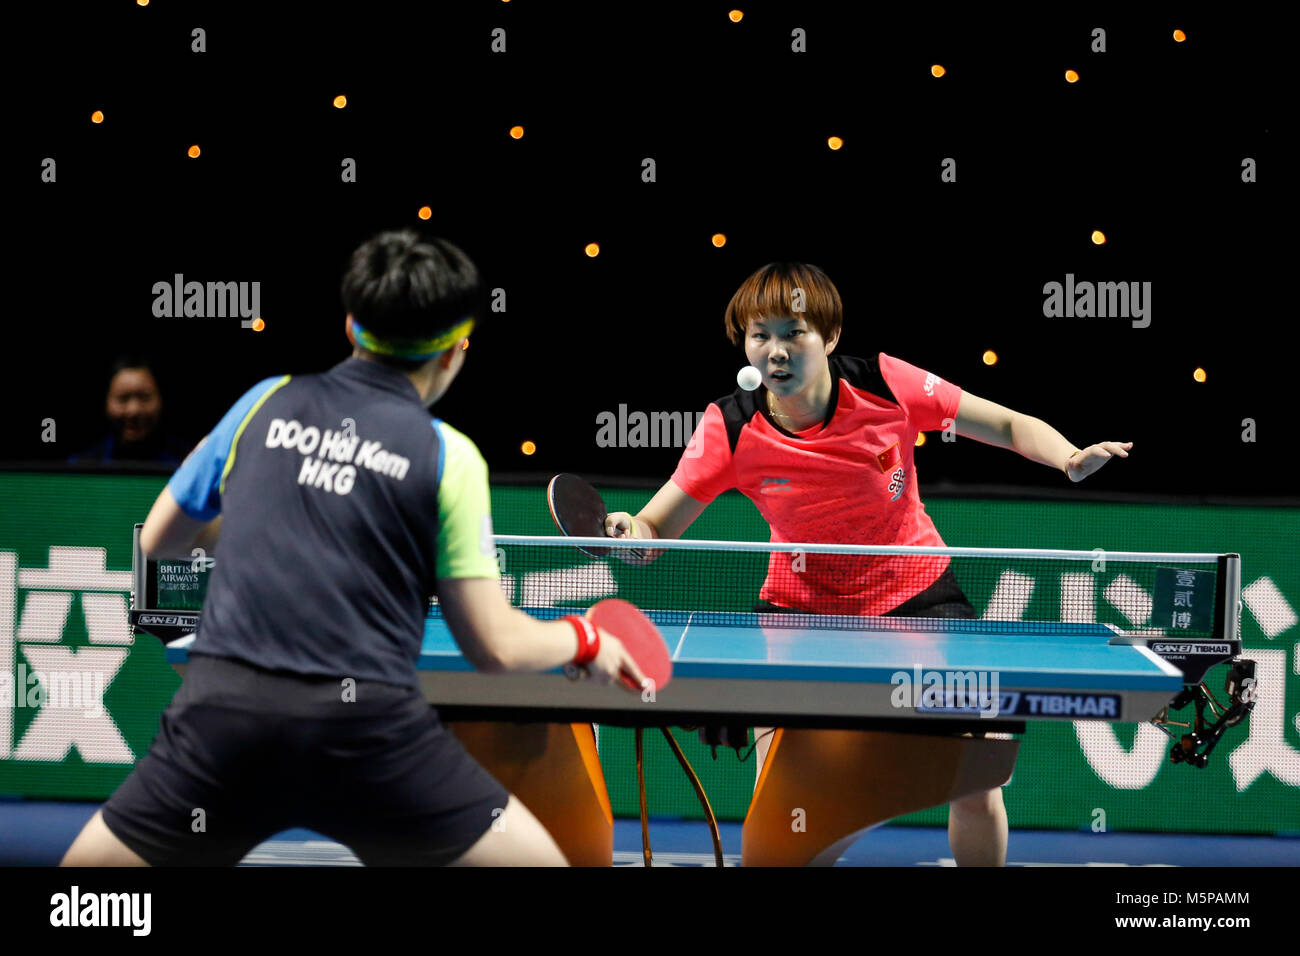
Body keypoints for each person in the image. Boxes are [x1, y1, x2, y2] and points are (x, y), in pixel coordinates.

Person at [62, 230, 646, 866]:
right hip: (370, 738)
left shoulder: (264, 401)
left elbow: (159, 543)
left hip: (224, 727)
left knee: (86, 900)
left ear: (350, 325)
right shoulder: (447, 455)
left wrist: (265, 510)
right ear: (456, 351)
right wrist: (585, 639)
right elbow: (494, 645)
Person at [602, 262, 1132, 866]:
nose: (775, 350)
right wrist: (627, 529)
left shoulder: (885, 384)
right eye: (760, 335)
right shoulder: (729, 425)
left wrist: (1067, 457)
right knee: (788, 799)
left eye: (793, 332)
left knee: (978, 769)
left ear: (828, 338)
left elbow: (1007, 424)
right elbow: (654, 530)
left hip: (918, 596)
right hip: (799, 615)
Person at [69, 356, 193, 465]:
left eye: (144, 397)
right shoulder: (81, 466)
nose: (134, 411)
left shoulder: (189, 464)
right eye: (123, 399)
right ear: (106, 401)